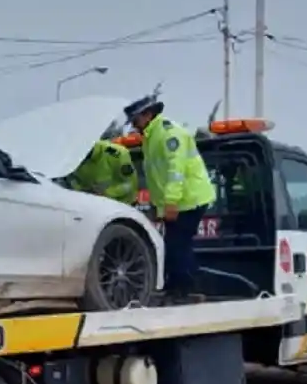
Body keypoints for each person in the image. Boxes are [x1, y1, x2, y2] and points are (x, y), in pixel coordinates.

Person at [122, 94, 216, 304]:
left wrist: (171, 202)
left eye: (136, 120)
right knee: (173, 244)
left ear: (148, 115)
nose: (134, 126)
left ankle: (187, 290)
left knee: (177, 244)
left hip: (190, 198)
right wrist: (159, 206)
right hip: (178, 201)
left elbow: (176, 171)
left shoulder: (168, 134)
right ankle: (177, 288)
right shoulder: (150, 136)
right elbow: (157, 176)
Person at [68, 132, 139, 205]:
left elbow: (130, 184)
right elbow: (74, 180)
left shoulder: (118, 155)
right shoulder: (72, 158)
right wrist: (82, 191)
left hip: (122, 204)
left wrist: (106, 193)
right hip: (91, 203)